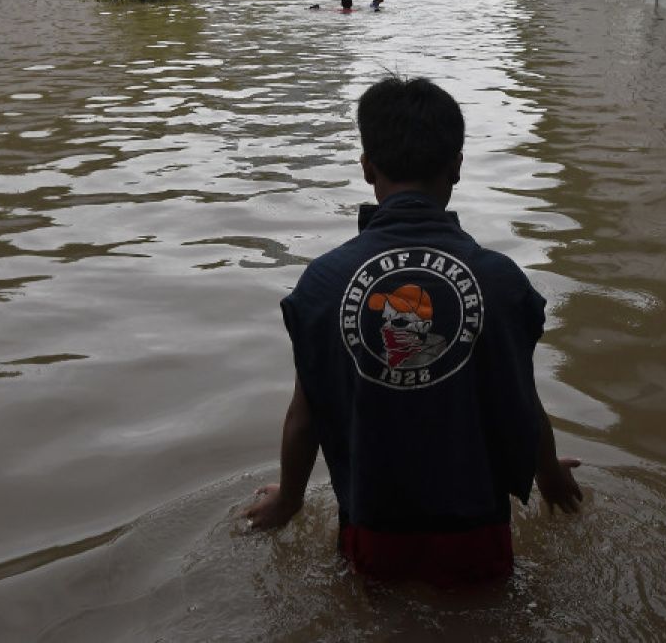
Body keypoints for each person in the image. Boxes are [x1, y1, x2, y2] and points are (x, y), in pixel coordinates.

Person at [243, 77, 582, 587]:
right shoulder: (500, 281)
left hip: (373, 530)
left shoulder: (324, 283)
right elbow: (521, 400)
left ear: (366, 168)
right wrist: (549, 474)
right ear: (457, 167)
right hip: (478, 531)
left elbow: (303, 416)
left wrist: (289, 501)